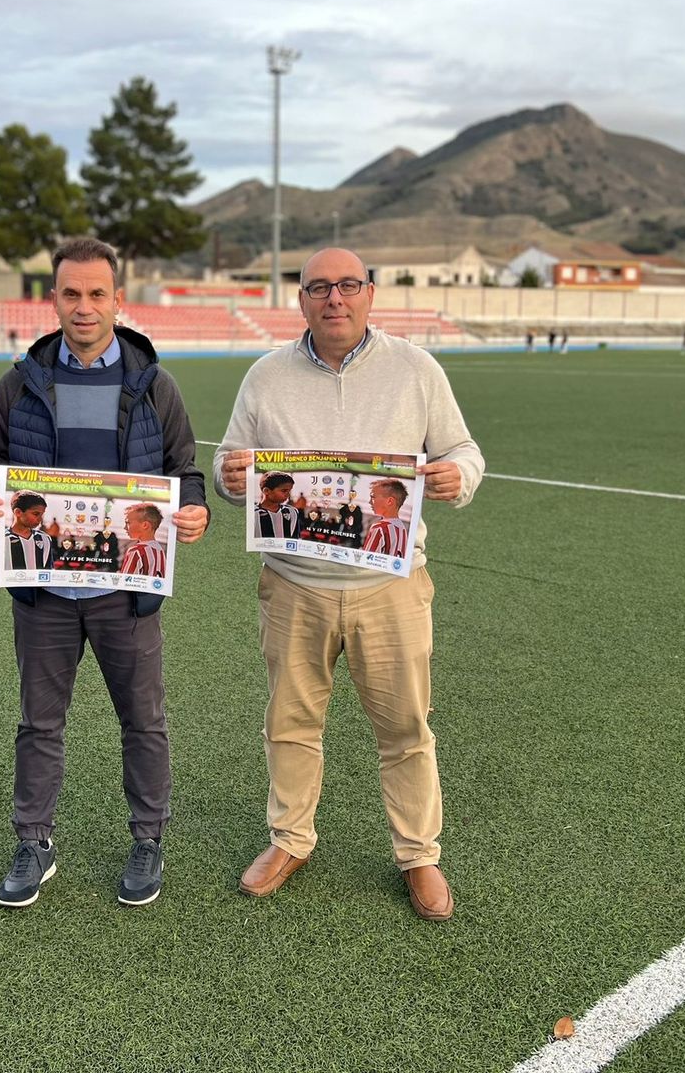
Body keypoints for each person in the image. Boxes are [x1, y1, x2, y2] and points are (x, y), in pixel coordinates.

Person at [214, 247, 484, 922]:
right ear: (300, 299)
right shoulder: (265, 375)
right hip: (294, 583)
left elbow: (462, 450)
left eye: (348, 286)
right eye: (319, 288)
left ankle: (419, 854)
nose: (334, 299)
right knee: (291, 721)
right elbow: (226, 462)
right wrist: (231, 478)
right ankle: (290, 839)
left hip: (389, 583)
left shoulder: (416, 370)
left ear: (370, 295)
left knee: (404, 726)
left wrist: (459, 477)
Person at [0, 236, 209, 910]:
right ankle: (34, 842)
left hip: (126, 590)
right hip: (44, 590)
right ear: (52, 299)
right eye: (70, 293)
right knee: (40, 723)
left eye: (97, 293)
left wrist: (193, 511)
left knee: (144, 720)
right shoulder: (20, 383)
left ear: (118, 300)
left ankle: (148, 838)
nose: (83, 306)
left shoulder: (156, 386)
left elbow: (186, 472)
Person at [5, 491, 56, 571]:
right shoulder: (3, 539)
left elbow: (49, 570)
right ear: (18, 512)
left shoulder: (45, 539)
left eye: (41, 514)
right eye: (36, 514)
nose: (40, 519)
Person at [362, 478, 410, 556]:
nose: (370, 502)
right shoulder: (402, 528)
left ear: (389, 501)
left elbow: (367, 559)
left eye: (373, 497)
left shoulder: (379, 528)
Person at [119, 504, 167, 577]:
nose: (125, 527)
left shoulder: (135, 551)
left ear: (145, 525)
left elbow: (125, 582)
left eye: (128, 523)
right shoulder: (160, 550)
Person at [254, 472, 301, 540]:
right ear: (266, 491)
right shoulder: (253, 514)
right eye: (284, 491)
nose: (288, 495)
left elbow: (295, 539)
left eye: (289, 491)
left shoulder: (292, 512)